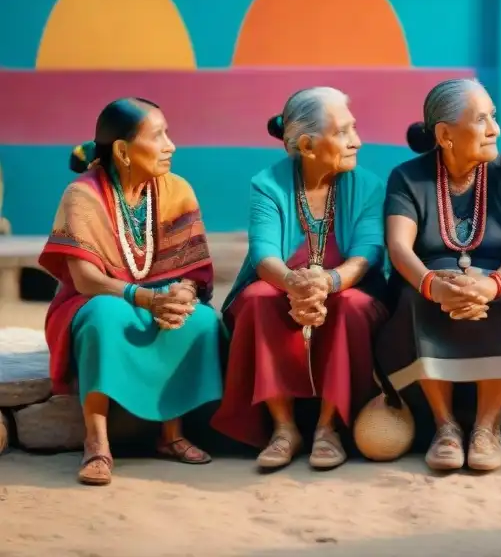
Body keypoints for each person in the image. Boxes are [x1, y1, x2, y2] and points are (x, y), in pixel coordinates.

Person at [374, 78, 501, 473]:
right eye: (482, 119)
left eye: (494, 116)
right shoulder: (408, 177)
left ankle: (487, 428)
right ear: (445, 134)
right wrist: (434, 286)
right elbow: (399, 248)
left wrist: (492, 284)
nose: (496, 129)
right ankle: (445, 427)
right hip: (432, 283)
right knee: (412, 298)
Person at [39, 98, 222, 486]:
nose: (171, 145)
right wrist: (145, 298)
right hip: (96, 299)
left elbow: (193, 270)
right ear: (122, 150)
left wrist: (182, 296)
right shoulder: (83, 194)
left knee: (200, 319)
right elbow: (86, 279)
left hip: (157, 297)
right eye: (158, 136)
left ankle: (171, 436)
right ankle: (97, 443)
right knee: (106, 316)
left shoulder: (176, 189)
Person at [211, 88, 388, 471]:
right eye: (342, 132)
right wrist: (295, 284)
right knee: (258, 297)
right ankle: (284, 428)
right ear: (307, 145)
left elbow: (369, 253)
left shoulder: (369, 185)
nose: (356, 140)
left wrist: (329, 283)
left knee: (352, 305)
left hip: (345, 288)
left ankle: (329, 427)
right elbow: (263, 254)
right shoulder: (268, 184)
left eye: (353, 128)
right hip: (284, 286)